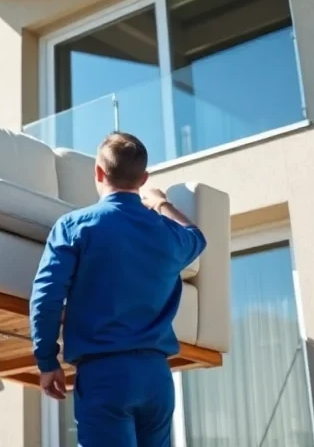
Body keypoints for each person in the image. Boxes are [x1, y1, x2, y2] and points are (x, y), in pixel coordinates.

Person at [29, 132, 207, 447]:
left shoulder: (74, 226)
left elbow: (46, 298)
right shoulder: (166, 234)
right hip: (157, 378)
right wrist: (160, 202)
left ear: (98, 172)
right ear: (143, 179)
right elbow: (196, 237)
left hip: (104, 374)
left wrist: (47, 361)